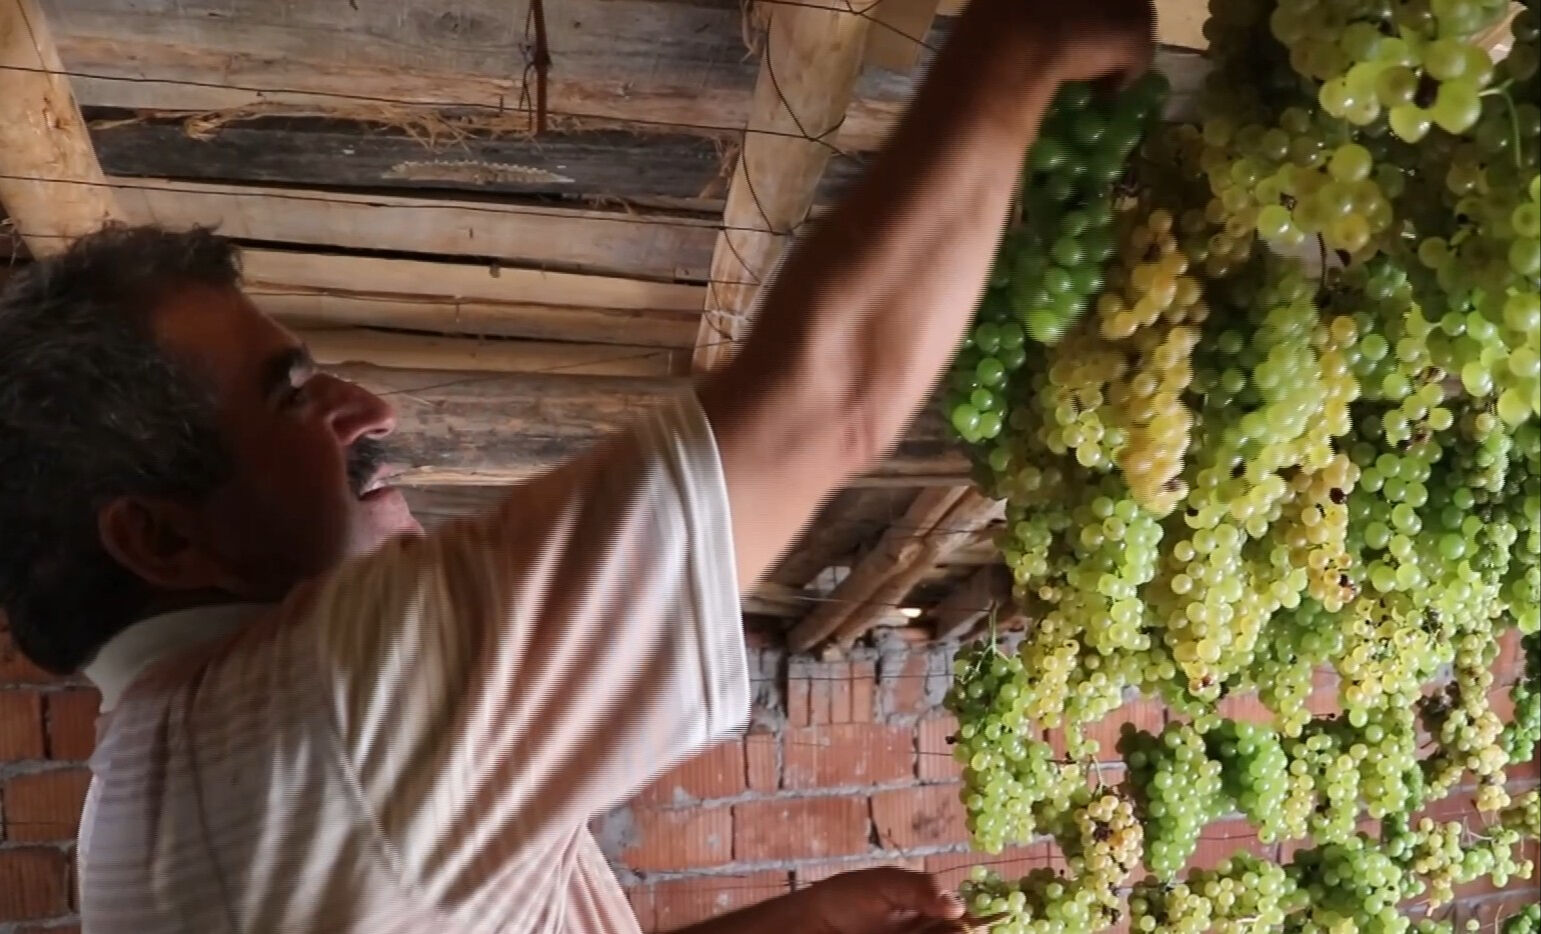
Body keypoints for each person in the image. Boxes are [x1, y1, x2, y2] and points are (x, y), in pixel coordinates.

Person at [0, 0, 1153, 929]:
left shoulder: (157, 803)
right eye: (292, 395)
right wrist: (1017, 45)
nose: (369, 409)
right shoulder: (329, 721)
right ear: (158, 535)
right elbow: (827, 398)